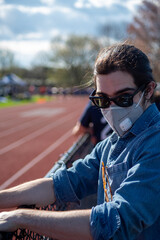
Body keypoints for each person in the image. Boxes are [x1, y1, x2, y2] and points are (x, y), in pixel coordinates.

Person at [0, 43, 160, 240]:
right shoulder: (113, 142)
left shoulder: (155, 143)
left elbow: (118, 222)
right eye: (103, 100)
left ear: (149, 90)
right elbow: (63, 184)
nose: (112, 108)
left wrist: (22, 217)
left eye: (124, 98)